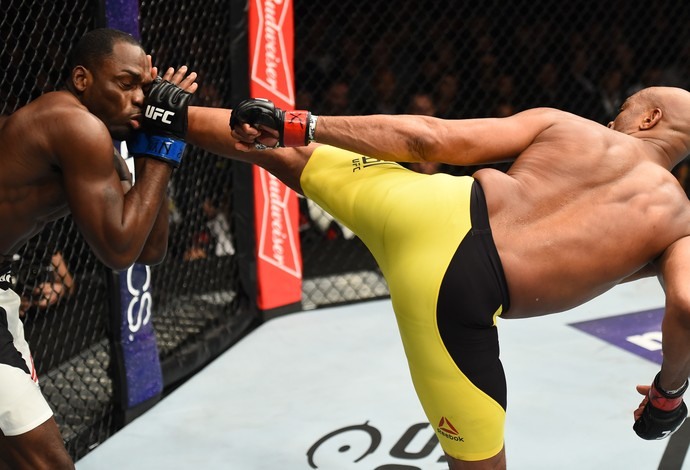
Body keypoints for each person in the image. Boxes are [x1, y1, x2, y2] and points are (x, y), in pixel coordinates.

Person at [182, 86, 690, 469]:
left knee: (292, 152)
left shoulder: (570, 126)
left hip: (430, 211)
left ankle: (160, 112)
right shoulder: (678, 220)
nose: (612, 116)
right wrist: (668, 394)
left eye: (624, 107)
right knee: (479, 462)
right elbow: (686, 305)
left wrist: (301, 123)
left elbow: (428, 138)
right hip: (459, 299)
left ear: (649, 116)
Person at [0, 28, 197, 469]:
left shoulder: (101, 139)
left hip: (1, 287)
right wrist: (164, 148)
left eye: (145, 89)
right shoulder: (74, 124)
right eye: (125, 84)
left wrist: (152, 143)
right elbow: (118, 251)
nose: (138, 98)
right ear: (83, 78)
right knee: (45, 460)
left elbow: (150, 247)